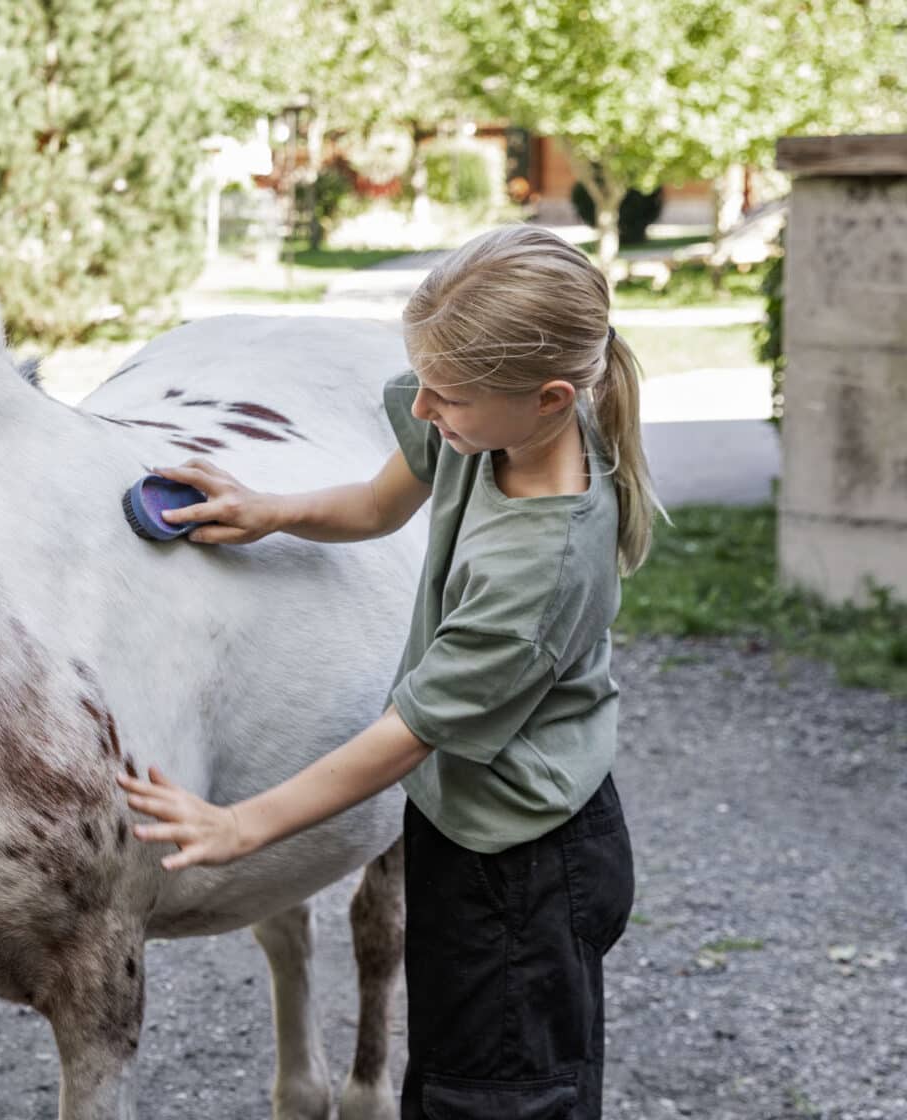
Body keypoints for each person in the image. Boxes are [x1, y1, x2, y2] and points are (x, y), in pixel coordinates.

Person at [121, 225, 653, 1119]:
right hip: (468, 825)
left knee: (502, 1097)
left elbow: (408, 732)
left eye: (446, 396)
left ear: (552, 398)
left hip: (527, 865)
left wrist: (242, 825)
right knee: (450, 1080)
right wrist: (269, 509)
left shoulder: (544, 565)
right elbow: (376, 502)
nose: (424, 408)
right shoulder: (482, 423)